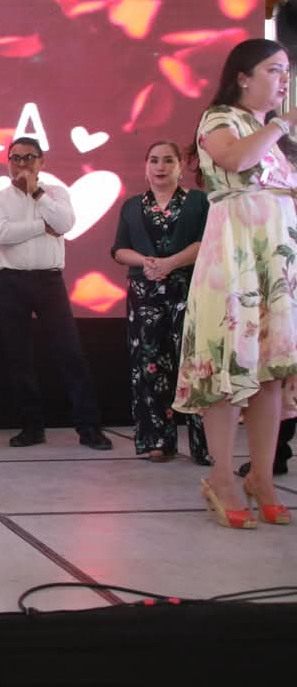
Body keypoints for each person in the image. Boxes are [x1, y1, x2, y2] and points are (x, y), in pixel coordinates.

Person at [174, 38, 297, 528]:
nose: (284, 79)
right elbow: (237, 160)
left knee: (269, 372)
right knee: (226, 367)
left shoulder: (274, 138)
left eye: (286, 71)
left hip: (276, 264)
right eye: (274, 70)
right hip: (234, 258)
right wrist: (281, 124)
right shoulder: (220, 119)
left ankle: (262, 477)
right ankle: (222, 476)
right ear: (243, 76)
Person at [0, 137, 113, 450]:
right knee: (19, 356)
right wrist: (43, 226)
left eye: (29, 157)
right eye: (15, 158)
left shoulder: (56, 193)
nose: (21, 164)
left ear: (42, 162)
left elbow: (65, 223)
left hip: (49, 281)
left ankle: (89, 428)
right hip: (11, 282)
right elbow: (2, 234)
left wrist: (37, 194)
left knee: (70, 353)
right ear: (8, 162)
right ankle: (31, 427)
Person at [112, 141, 209, 464]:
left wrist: (171, 263)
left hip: (190, 289)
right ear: (146, 166)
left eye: (168, 160)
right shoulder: (132, 206)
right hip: (145, 295)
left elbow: (207, 242)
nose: (160, 167)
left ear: (180, 166)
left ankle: (204, 445)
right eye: (154, 160)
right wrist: (147, 261)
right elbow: (119, 250)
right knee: (149, 366)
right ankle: (157, 440)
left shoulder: (199, 201)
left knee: (194, 365)